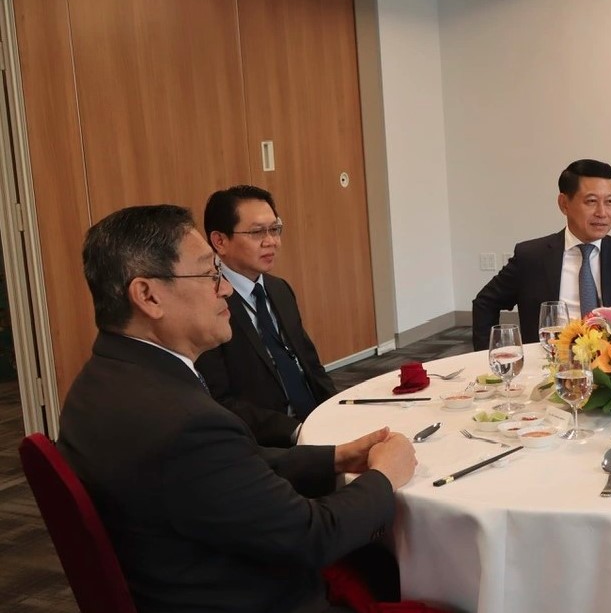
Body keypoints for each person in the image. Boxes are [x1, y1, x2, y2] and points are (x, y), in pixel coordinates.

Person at [58, 204, 417, 613]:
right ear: (148, 295)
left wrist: (335, 457)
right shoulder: (183, 423)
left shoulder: (99, 383)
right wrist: (385, 476)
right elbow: (311, 538)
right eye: (210, 274)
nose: (226, 289)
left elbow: (229, 469)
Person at [198, 185, 335, 446]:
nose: (271, 241)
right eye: (257, 232)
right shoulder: (209, 303)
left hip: (316, 422)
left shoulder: (279, 288)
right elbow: (220, 400)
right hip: (269, 442)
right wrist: (296, 432)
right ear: (220, 241)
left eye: (275, 229)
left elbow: (310, 365)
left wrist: (337, 410)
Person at [471, 159, 611, 351]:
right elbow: (485, 303)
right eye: (591, 201)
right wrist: (489, 353)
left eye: (609, 201)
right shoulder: (531, 257)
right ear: (564, 204)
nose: (602, 212)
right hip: (547, 361)